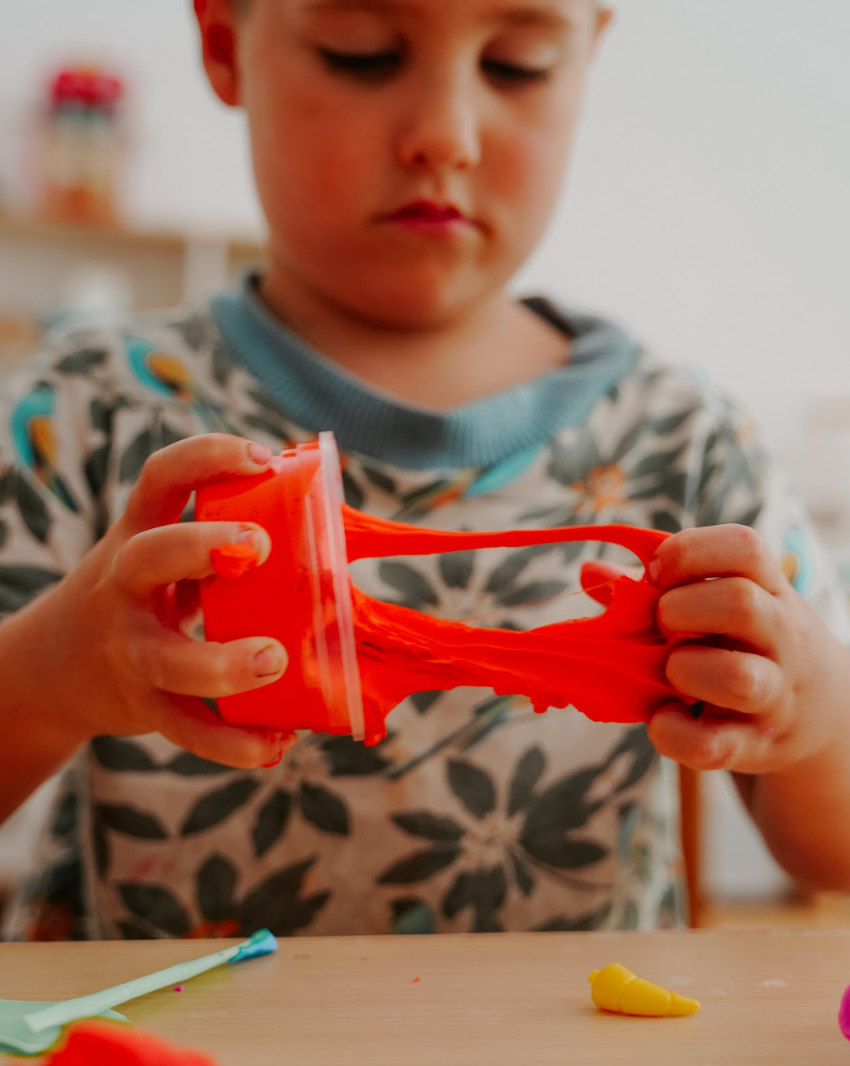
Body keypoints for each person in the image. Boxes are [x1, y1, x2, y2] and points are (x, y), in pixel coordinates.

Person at [1, 0, 849, 942]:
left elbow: (834, 851)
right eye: (360, 54)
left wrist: (818, 717)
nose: (444, 136)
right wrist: (49, 673)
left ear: (586, 57)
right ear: (223, 44)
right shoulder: (83, 413)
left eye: (517, 65)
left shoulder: (686, 441)